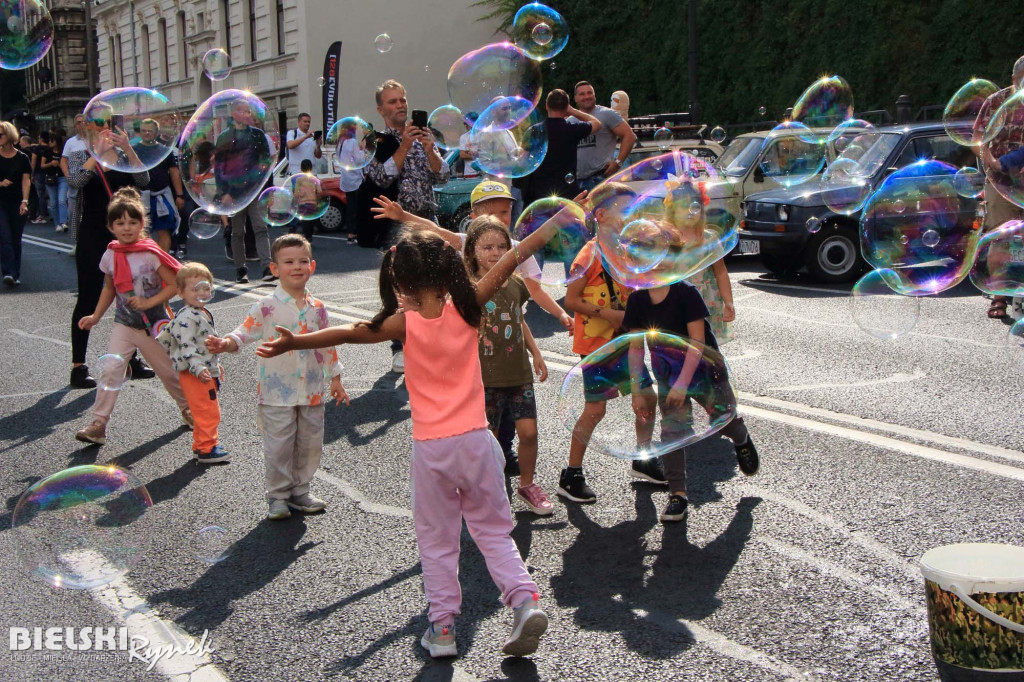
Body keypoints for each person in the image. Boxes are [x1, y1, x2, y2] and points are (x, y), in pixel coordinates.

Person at [253, 220, 566, 659]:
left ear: (403, 282)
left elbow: (348, 332)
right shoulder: (470, 306)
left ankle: (442, 630)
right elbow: (516, 254)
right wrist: (559, 219)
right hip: (477, 442)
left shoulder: (404, 324)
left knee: (438, 542)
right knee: (494, 532)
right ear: (447, 273)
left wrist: (293, 343)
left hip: (432, 449)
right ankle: (524, 601)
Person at [371, 180, 574, 475]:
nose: (502, 220)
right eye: (495, 212)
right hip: (476, 358)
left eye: (507, 212)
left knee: (509, 422)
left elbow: (530, 297)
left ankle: (503, 454)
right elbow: (435, 230)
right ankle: (487, 465)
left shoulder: (515, 250)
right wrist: (404, 217)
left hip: (511, 356)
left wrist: (558, 316)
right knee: (483, 419)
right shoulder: (468, 243)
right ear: (476, 215)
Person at [206, 234, 348, 520]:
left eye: (303, 261)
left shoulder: (318, 307)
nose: (297, 267)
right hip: (275, 392)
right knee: (280, 445)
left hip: (311, 390)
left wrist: (335, 377)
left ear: (313, 265)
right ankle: (278, 495)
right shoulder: (267, 305)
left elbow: (326, 343)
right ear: (274, 269)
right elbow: (245, 331)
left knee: (310, 443)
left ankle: (301, 490)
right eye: (288, 262)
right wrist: (226, 343)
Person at [622, 259, 759, 524]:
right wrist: (638, 387)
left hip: (705, 370)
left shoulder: (686, 293)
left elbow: (697, 344)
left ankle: (740, 437)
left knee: (722, 420)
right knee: (673, 432)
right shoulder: (637, 299)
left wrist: (684, 384)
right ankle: (678, 494)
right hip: (669, 375)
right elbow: (636, 347)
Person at [562, 182, 666, 503]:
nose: (633, 216)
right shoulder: (590, 254)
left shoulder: (623, 253)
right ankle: (571, 474)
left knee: (646, 401)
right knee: (595, 411)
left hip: (626, 341)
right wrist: (608, 314)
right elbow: (571, 299)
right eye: (626, 210)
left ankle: (643, 460)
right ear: (603, 215)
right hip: (597, 345)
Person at [72, 188, 192, 445]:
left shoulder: (150, 253)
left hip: (153, 325)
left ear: (142, 223)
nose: (126, 228)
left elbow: (173, 285)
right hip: (124, 324)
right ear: (111, 226)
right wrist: (95, 316)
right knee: (111, 370)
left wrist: (149, 301)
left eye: (132, 222)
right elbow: (109, 288)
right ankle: (98, 425)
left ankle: (188, 409)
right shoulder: (110, 254)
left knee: (168, 373)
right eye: (120, 222)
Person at [463, 216, 551, 514]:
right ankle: (484, 491)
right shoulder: (468, 287)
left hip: (518, 373)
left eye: (502, 246)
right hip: (483, 378)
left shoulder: (515, 282)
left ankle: (527, 485)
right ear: (471, 250)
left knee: (528, 434)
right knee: (488, 442)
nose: (495, 253)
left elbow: (517, 317)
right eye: (487, 246)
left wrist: (536, 352)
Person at [365, 79, 450, 372]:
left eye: (402, 100)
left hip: (427, 216)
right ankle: (399, 346)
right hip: (395, 219)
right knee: (398, 284)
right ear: (380, 109)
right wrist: (404, 146)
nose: (400, 105)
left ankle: (434, 339)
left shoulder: (425, 135)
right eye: (392, 102)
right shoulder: (376, 141)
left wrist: (429, 150)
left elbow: (444, 175)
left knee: (439, 280)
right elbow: (379, 178)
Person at [67, 111, 154, 388]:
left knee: (130, 297)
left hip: (126, 236)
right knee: (89, 298)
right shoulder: (83, 155)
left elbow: (144, 181)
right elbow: (75, 183)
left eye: (109, 126)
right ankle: (78, 366)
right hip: (93, 235)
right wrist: (98, 154)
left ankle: (131, 359)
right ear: (91, 131)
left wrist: (127, 148)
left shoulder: (126, 157)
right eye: (100, 126)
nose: (106, 130)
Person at [156, 262, 230, 464]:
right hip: (195, 372)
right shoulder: (187, 317)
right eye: (195, 288)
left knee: (201, 409)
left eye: (206, 287)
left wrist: (215, 365)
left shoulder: (198, 312)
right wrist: (199, 367)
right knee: (208, 411)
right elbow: (186, 346)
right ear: (180, 292)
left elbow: (203, 345)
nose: (202, 292)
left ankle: (200, 445)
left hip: (201, 369)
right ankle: (207, 449)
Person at [975, 55, 1024, 319]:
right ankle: (999, 298)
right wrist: (990, 162)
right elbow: (977, 140)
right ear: (1015, 79)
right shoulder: (996, 102)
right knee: (1000, 237)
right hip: (1001, 181)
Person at [214, 100, 274, 283]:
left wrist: (268, 191)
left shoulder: (258, 135)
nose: (249, 115)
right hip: (234, 193)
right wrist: (224, 192)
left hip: (255, 190)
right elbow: (220, 168)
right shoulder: (224, 138)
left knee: (260, 228)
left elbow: (266, 165)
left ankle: (267, 268)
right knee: (237, 232)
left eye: (249, 111)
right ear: (234, 114)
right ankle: (241, 269)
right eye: (245, 111)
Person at [571, 81, 637, 192]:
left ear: (594, 95)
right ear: (575, 98)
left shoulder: (607, 114)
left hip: (600, 179)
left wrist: (618, 162)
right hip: (577, 182)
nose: (587, 97)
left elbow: (629, 136)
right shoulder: (571, 120)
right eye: (582, 94)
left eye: (589, 93)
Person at [134, 119, 184, 253]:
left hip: (162, 194)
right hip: (140, 195)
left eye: (149, 131)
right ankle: (145, 263)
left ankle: (163, 261)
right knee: (142, 232)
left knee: (164, 231)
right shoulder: (134, 149)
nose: (146, 133)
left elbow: (174, 172)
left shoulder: (164, 150)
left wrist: (179, 195)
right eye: (143, 131)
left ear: (156, 132)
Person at [0, 121, 32, 287]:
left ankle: (15, 273)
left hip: (17, 202)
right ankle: (7, 272)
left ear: (10, 136)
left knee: (15, 238)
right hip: (0, 203)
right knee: (4, 237)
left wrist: (24, 201)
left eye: (1, 135)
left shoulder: (23, 157)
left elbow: (26, 180)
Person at [334, 121, 365, 243]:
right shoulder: (352, 142)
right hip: (355, 179)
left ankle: (350, 233)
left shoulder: (340, 143)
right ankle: (357, 232)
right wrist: (362, 150)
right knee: (358, 207)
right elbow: (359, 160)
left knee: (350, 207)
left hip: (346, 180)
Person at [62, 114, 88, 242]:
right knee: (73, 214)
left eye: (84, 121)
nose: (81, 124)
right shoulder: (70, 142)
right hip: (75, 183)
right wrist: (68, 176)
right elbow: (63, 161)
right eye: (78, 122)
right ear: (75, 125)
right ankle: (76, 242)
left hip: (90, 181)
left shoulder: (94, 139)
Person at [42, 132, 68, 233]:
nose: (50, 142)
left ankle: (63, 222)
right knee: (53, 203)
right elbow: (42, 165)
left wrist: (60, 165)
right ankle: (57, 224)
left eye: (52, 140)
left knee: (62, 200)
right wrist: (50, 164)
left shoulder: (63, 152)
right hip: (50, 178)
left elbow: (66, 163)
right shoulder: (47, 151)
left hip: (62, 177)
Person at [29, 131, 51, 225]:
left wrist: (31, 174)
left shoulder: (37, 149)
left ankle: (42, 215)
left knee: (40, 195)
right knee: (50, 195)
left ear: (41, 138)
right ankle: (50, 214)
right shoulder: (50, 148)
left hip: (39, 173)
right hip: (50, 173)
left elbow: (33, 163)